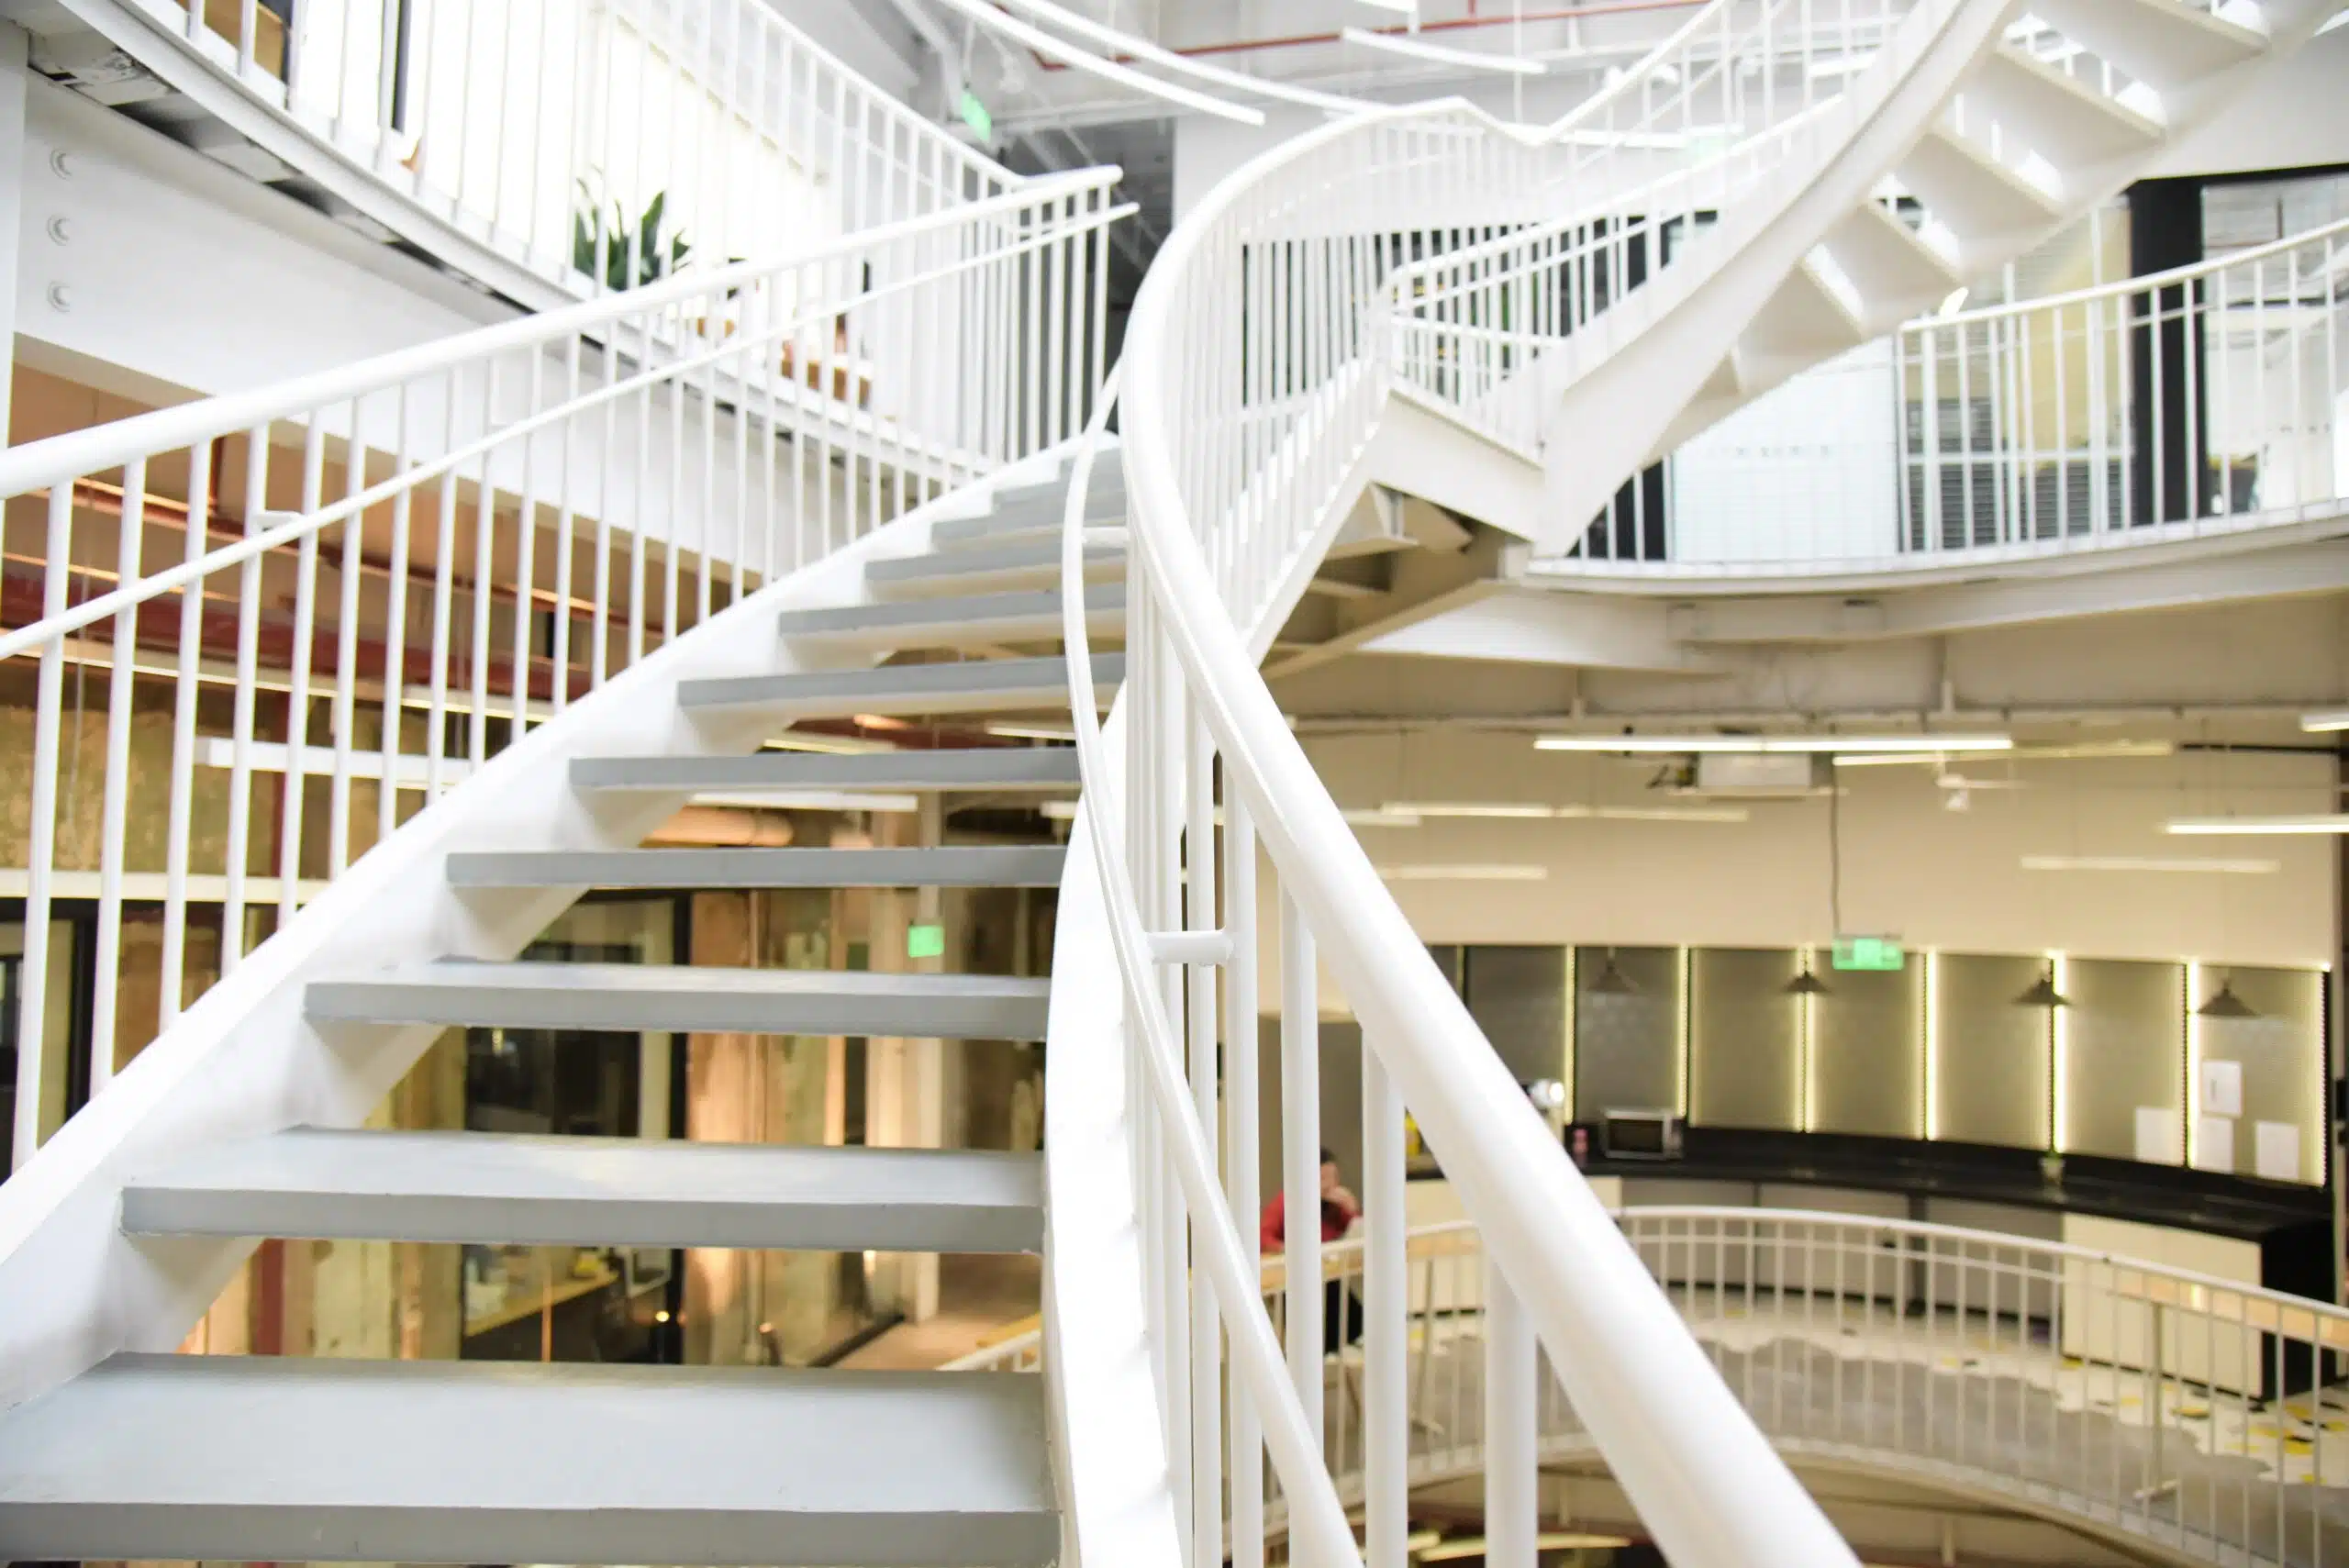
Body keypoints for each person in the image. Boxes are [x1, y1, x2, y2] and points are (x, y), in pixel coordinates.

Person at [1260, 1148, 1366, 1356]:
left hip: (1326, 1274)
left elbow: (1357, 1230)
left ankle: (1345, 1335)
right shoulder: (1286, 1201)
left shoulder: (1335, 1206)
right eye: (1323, 1178)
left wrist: (1352, 1207)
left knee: (1338, 1293)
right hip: (1293, 1279)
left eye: (1333, 1177)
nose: (1329, 1184)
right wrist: (1288, 1250)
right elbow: (1264, 1236)